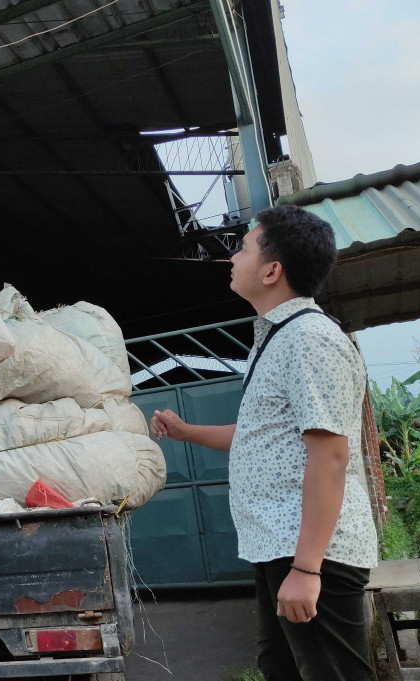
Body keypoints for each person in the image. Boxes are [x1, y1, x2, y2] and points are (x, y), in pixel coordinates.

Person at [150, 205, 378, 681]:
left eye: (243, 248)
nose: (232, 258)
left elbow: (331, 458)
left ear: (273, 270)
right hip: (281, 547)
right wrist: (186, 431)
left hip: (314, 553)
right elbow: (258, 439)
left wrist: (309, 569)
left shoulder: (309, 340)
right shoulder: (277, 339)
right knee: (282, 670)